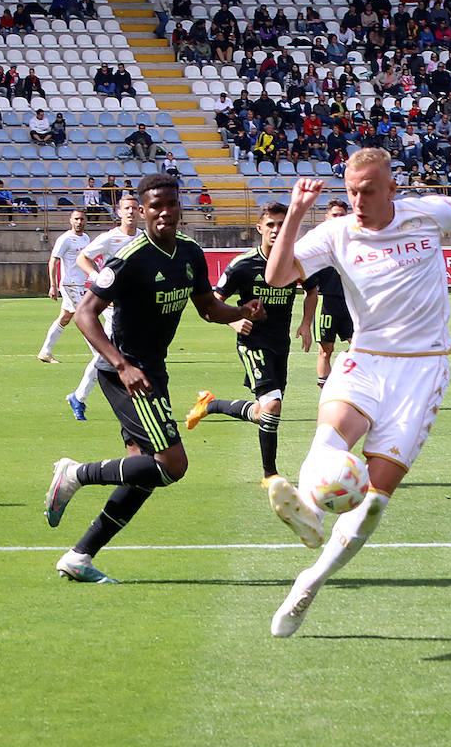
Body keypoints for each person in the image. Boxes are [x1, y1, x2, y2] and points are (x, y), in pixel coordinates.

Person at [260, 148, 451, 636]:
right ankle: (308, 510)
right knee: (329, 438)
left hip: (423, 371)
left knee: (375, 501)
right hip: (365, 359)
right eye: (350, 191)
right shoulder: (337, 234)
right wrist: (296, 214)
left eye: (367, 191)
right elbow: (276, 277)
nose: (358, 201)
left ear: (391, 189)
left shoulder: (427, 213)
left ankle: (309, 582)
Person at [41, 175, 265, 583]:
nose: (164, 213)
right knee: (173, 464)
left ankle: (79, 556)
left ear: (181, 208)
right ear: (142, 211)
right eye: (155, 206)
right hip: (126, 370)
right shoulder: (130, 258)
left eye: (171, 205)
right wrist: (123, 366)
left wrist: (242, 312)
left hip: (152, 370)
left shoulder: (191, 254)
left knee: (142, 471)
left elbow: (208, 309)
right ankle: (74, 474)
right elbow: (87, 316)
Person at [184, 203, 316, 483]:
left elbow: (312, 290)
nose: (276, 230)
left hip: (280, 345)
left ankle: (209, 404)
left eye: (282, 224)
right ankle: (270, 475)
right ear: (259, 228)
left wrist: (306, 323)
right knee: (272, 405)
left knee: (262, 412)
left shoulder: (295, 261)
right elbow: (212, 303)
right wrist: (233, 321)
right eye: (271, 225)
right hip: (252, 342)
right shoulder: (243, 265)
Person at [66, 195, 140, 420]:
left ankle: (79, 397)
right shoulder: (109, 238)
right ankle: (80, 397)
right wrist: (98, 278)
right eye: (126, 208)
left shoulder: (144, 238)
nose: (130, 212)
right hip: (113, 304)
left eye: (134, 208)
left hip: (134, 304)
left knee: (119, 352)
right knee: (108, 354)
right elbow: (83, 258)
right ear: (119, 212)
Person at [301, 198, 353, 387]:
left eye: (342, 215)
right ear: (327, 217)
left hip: (352, 304)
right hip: (328, 305)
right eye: (335, 215)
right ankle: (327, 392)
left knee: (361, 348)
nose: (338, 219)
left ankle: (341, 370)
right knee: (325, 350)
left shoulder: (355, 240)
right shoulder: (317, 241)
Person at [37, 209, 92, 364]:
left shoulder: (86, 238)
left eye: (81, 219)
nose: (79, 222)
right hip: (70, 284)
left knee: (65, 318)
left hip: (81, 283)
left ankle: (45, 352)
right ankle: (99, 356)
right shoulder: (65, 239)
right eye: (76, 219)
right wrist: (53, 285)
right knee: (85, 317)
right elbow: (53, 261)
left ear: (85, 220)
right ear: (70, 220)